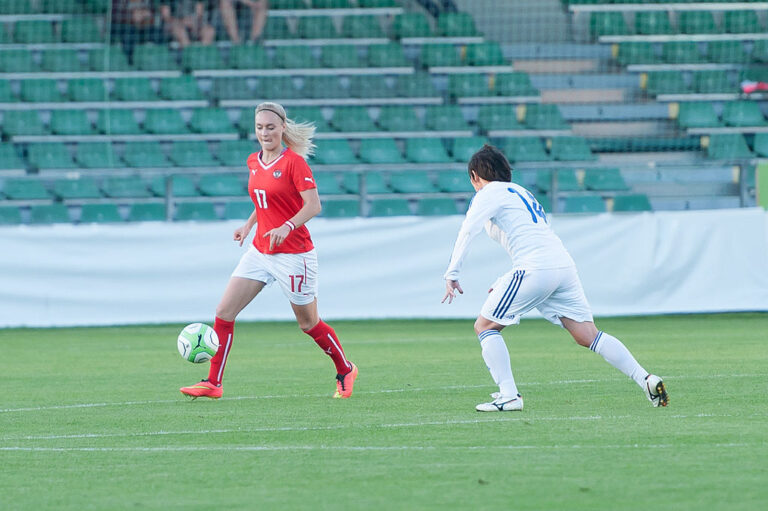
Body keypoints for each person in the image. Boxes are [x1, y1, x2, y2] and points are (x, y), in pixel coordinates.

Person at [441, 144, 668, 412]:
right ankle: (646, 379)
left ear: (474, 175)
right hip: (562, 267)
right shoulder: (522, 193)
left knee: (485, 327)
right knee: (588, 335)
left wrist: (452, 272)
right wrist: (507, 281)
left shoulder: (488, 193)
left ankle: (509, 396)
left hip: (535, 269)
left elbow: (468, 230)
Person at [180, 101, 358, 400]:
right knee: (224, 312)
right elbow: (264, 200)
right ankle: (213, 383)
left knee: (308, 323)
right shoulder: (253, 161)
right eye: (260, 127)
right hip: (261, 250)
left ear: (282, 128)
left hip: (294, 255)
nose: (265, 133)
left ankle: (345, 369)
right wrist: (249, 224)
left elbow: (313, 205)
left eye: (271, 127)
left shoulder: (294, 164)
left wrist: (287, 226)